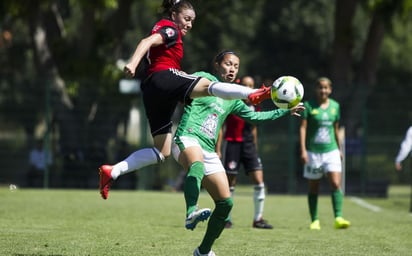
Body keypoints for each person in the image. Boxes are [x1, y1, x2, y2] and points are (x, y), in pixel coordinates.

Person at [99, 0, 271, 200]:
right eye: (187, 19)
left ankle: (112, 171)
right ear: (174, 15)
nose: (189, 24)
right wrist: (133, 62)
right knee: (208, 85)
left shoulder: (166, 26)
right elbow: (146, 42)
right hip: (163, 75)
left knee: (162, 151)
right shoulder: (171, 29)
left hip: (152, 90)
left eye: (192, 21)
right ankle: (252, 94)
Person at [172, 50, 304, 256]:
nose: (232, 69)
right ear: (216, 65)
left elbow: (255, 118)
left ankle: (203, 251)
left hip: (207, 148)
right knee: (196, 164)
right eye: (228, 64)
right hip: (187, 138)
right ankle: (191, 212)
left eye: (236, 66)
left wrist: (284, 110)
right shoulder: (204, 79)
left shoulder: (232, 99)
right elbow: (178, 89)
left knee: (225, 204)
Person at [216, 75, 272, 229]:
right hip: (232, 144)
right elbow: (221, 127)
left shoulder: (256, 105)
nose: (248, 88)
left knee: (259, 181)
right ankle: (226, 218)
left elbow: (254, 127)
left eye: (251, 85)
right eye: (246, 85)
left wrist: (255, 148)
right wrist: (218, 149)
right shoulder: (231, 101)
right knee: (230, 182)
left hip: (249, 147)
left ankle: (258, 219)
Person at [299, 77, 350, 230]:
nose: (323, 90)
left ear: (330, 89)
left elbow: (335, 129)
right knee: (314, 186)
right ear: (316, 89)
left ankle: (338, 217)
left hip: (331, 151)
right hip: (313, 153)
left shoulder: (335, 106)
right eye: (320, 87)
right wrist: (303, 150)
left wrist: (340, 149)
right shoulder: (308, 106)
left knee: (335, 183)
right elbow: (303, 128)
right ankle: (314, 220)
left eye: (326, 88)